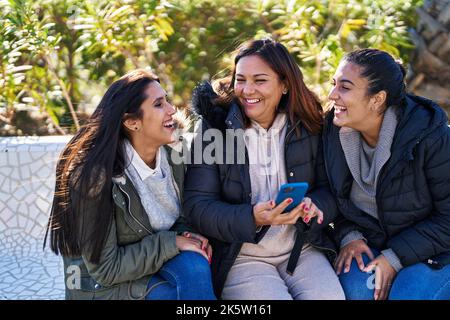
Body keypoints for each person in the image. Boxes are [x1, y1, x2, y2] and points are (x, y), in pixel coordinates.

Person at [183, 38, 345, 300]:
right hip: (242, 256)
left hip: (302, 249)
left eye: (259, 81)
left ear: (284, 85)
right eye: (240, 79)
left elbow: (331, 190)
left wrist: (315, 206)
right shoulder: (215, 129)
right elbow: (197, 206)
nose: (247, 90)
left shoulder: (308, 124)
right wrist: (252, 217)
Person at [44, 69, 216, 300]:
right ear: (132, 122)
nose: (171, 110)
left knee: (198, 266)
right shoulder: (94, 178)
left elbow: (180, 214)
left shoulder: (176, 152)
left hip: (155, 260)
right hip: (105, 285)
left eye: (167, 101)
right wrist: (172, 242)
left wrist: (189, 234)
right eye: (158, 104)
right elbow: (106, 269)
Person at [324, 48, 450, 300]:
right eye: (333, 84)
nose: (331, 95)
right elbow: (332, 197)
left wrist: (394, 258)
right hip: (374, 244)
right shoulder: (332, 131)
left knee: (408, 295)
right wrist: (349, 236)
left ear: (378, 99)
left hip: (438, 249)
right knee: (355, 292)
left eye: (345, 87)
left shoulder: (431, 136)